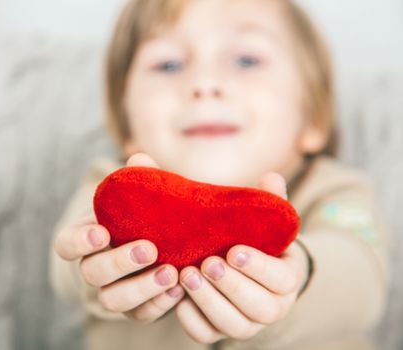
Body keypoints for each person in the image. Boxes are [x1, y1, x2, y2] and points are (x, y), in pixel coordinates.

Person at [51, 0, 389, 349]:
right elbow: (64, 267)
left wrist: (298, 272)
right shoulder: (113, 187)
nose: (205, 83)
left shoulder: (333, 189)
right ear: (127, 128)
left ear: (313, 117)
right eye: (168, 64)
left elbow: (361, 275)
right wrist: (99, 257)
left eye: (246, 60)